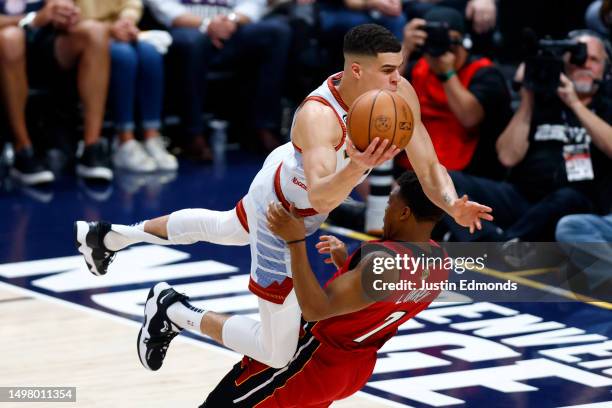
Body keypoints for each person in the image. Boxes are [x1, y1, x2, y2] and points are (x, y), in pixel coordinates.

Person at [75, 24, 492, 371]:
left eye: (398, 68)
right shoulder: (319, 116)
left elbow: (428, 164)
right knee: (278, 353)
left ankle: (109, 237)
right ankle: (172, 310)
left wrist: (451, 203)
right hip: (283, 208)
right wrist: (356, 166)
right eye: (387, 70)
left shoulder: (398, 96)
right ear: (356, 71)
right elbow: (322, 194)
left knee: (226, 227)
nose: (398, 79)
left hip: (289, 177)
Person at [143, 171, 447, 407]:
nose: (384, 208)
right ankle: (173, 311)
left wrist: (295, 241)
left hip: (308, 361)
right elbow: (383, 298)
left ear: (405, 212)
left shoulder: (382, 263)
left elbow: (317, 308)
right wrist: (349, 267)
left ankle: (172, 309)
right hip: (352, 369)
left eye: (391, 201)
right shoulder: (440, 262)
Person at [445, 30, 612, 243]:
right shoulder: (540, 102)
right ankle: (487, 242)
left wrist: (575, 104)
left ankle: (510, 240)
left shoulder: (607, 105)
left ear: (605, 69)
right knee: (445, 179)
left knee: (568, 197)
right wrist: (528, 98)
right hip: (524, 198)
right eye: (577, 59)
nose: (585, 65)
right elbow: (507, 156)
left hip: (577, 206)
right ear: (564, 65)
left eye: (594, 60)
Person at [144, 0, 291, 156]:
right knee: (194, 42)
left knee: (277, 32)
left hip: (232, 25)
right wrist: (206, 24)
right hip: (186, 27)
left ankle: (264, 127)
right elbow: (163, 6)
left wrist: (232, 19)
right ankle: (193, 133)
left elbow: (253, 3)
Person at [0, 0, 112, 184]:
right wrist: (32, 18)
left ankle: (91, 146)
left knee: (95, 31)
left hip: (48, 39)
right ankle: (23, 149)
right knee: (10, 38)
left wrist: (65, 14)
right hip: (8, 40)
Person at [399, 6, 510, 178]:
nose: (440, 45)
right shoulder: (417, 68)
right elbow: (379, 98)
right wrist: (405, 48)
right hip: (411, 165)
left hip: (465, 172)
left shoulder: (486, 73)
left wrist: (447, 74)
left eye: (446, 39)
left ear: (462, 41)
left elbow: (469, 118)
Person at [76, 0, 178, 172]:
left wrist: (126, 22)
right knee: (124, 57)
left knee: (150, 54)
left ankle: (151, 136)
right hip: (87, 35)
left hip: (123, 29)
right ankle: (124, 140)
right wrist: (109, 29)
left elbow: (132, 4)